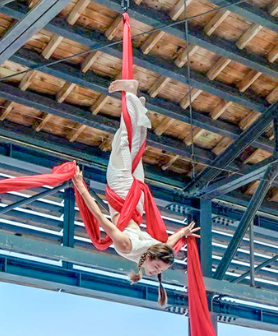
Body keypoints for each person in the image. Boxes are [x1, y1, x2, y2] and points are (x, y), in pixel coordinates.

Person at [70, 77, 197, 305]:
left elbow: (169, 243)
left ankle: (138, 105)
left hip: (136, 201)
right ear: (151, 257)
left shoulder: (152, 250)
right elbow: (100, 217)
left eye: (158, 268)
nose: (155, 271)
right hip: (122, 195)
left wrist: (183, 234)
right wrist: (81, 186)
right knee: (122, 145)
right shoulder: (127, 247)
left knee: (134, 149)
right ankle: (130, 95)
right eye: (158, 266)